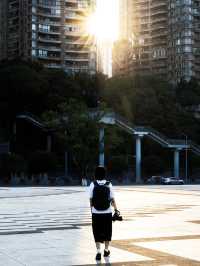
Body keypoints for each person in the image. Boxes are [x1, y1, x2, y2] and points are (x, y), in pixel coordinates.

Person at [89, 166, 118, 261]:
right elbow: (112, 199)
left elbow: (91, 200)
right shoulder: (109, 184)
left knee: (96, 232)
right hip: (107, 212)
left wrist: (92, 210)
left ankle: (98, 252)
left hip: (96, 213)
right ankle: (106, 250)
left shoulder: (92, 184)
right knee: (107, 231)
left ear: (95, 174)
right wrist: (116, 210)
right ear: (104, 174)